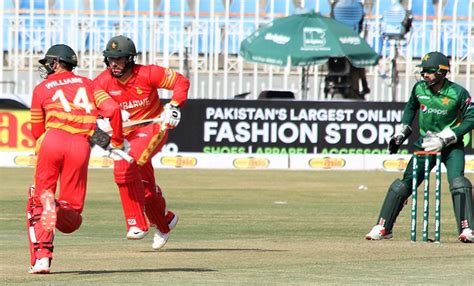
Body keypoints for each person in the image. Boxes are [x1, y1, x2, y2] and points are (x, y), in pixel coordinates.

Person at [27, 44, 123, 274]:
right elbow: (113, 109)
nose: (47, 68)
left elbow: (36, 131)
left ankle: (42, 258)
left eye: (48, 63)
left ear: (57, 63)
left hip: (52, 141)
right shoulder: (90, 84)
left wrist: (47, 144)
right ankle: (57, 207)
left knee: (39, 202)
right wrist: (116, 142)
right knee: (73, 214)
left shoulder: (41, 88)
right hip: (80, 146)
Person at [93, 35, 190, 250]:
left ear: (130, 59)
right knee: (144, 189)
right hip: (126, 135)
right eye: (110, 59)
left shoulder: (148, 73)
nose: (114, 64)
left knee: (124, 165)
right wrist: (104, 118)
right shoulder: (101, 82)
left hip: (152, 128)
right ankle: (165, 222)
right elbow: (93, 109)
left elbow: (180, 82)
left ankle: (137, 224)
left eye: (119, 59)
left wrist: (174, 105)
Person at [365, 51, 474, 243]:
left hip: (451, 146)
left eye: (429, 72)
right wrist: (401, 133)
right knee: (404, 184)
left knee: (458, 182)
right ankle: (383, 227)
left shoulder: (458, 93)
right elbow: (410, 109)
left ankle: (468, 229)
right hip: (426, 144)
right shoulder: (419, 89)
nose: (424, 75)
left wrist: (448, 136)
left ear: (441, 72)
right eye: (423, 71)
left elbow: (471, 117)